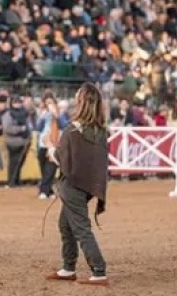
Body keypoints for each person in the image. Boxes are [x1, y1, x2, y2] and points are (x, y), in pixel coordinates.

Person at [45, 82, 110, 286]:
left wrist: (49, 149)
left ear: (81, 102)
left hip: (73, 185)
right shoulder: (100, 131)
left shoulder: (74, 130)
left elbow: (63, 159)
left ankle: (99, 270)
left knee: (80, 228)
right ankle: (68, 267)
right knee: (65, 224)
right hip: (86, 185)